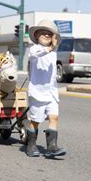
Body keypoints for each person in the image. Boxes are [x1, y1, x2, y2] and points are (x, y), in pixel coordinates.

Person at [26, 20, 66, 158]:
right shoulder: (34, 49)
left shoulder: (53, 53)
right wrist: (49, 49)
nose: (46, 35)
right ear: (36, 36)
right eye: (42, 32)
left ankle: (52, 147)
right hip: (37, 93)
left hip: (51, 92)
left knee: (54, 117)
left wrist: (52, 49)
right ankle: (31, 145)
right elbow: (36, 55)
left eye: (49, 33)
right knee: (36, 121)